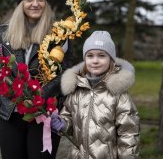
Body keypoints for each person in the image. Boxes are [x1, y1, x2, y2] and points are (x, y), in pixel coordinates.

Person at [0, 0, 72, 159]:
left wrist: (40, 96)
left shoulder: (58, 35)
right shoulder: (3, 33)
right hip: (10, 114)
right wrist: (18, 95)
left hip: (43, 114)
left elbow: (66, 71)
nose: (35, 4)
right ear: (21, 3)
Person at [51, 31, 140, 159]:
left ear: (111, 59)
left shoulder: (119, 94)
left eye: (102, 55)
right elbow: (69, 117)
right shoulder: (77, 90)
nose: (95, 61)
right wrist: (63, 123)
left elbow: (129, 133)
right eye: (90, 56)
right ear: (85, 59)